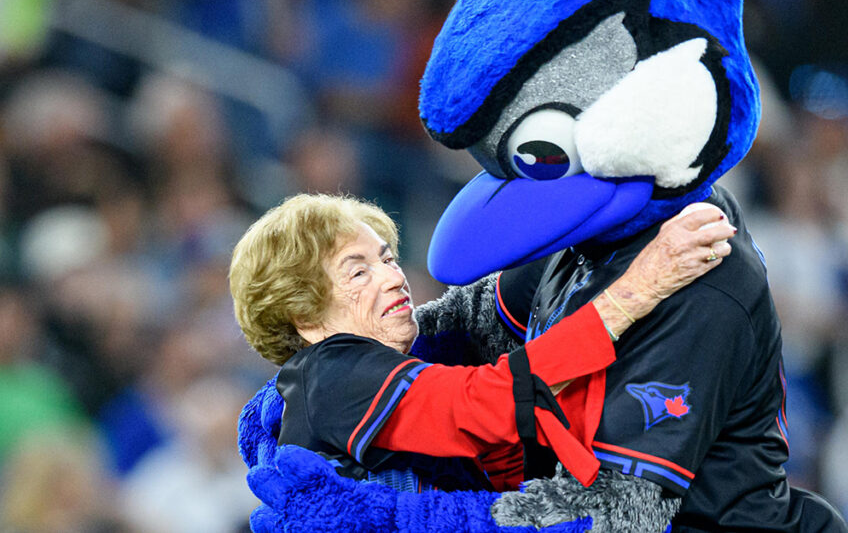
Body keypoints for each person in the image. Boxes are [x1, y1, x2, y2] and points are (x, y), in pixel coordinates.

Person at [230, 193, 735, 493]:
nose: (393, 278)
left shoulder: (375, 369)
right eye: (358, 271)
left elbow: (537, 276)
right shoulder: (330, 371)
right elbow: (485, 406)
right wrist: (638, 288)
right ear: (305, 317)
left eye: (386, 259)